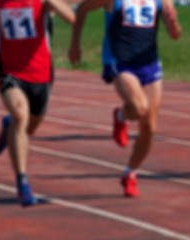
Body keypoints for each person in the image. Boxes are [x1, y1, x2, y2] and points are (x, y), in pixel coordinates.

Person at [0, 0, 75, 206]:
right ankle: (22, 182)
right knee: (20, 114)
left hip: (41, 73)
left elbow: (70, 17)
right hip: (9, 70)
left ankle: (9, 129)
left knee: (28, 129)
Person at [68, 0, 181, 197]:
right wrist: (75, 43)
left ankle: (130, 173)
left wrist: (173, 24)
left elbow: (175, 35)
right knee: (138, 107)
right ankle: (122, 115)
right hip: (120, 61)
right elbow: (83, 8)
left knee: (150, 128)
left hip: (150, 63)